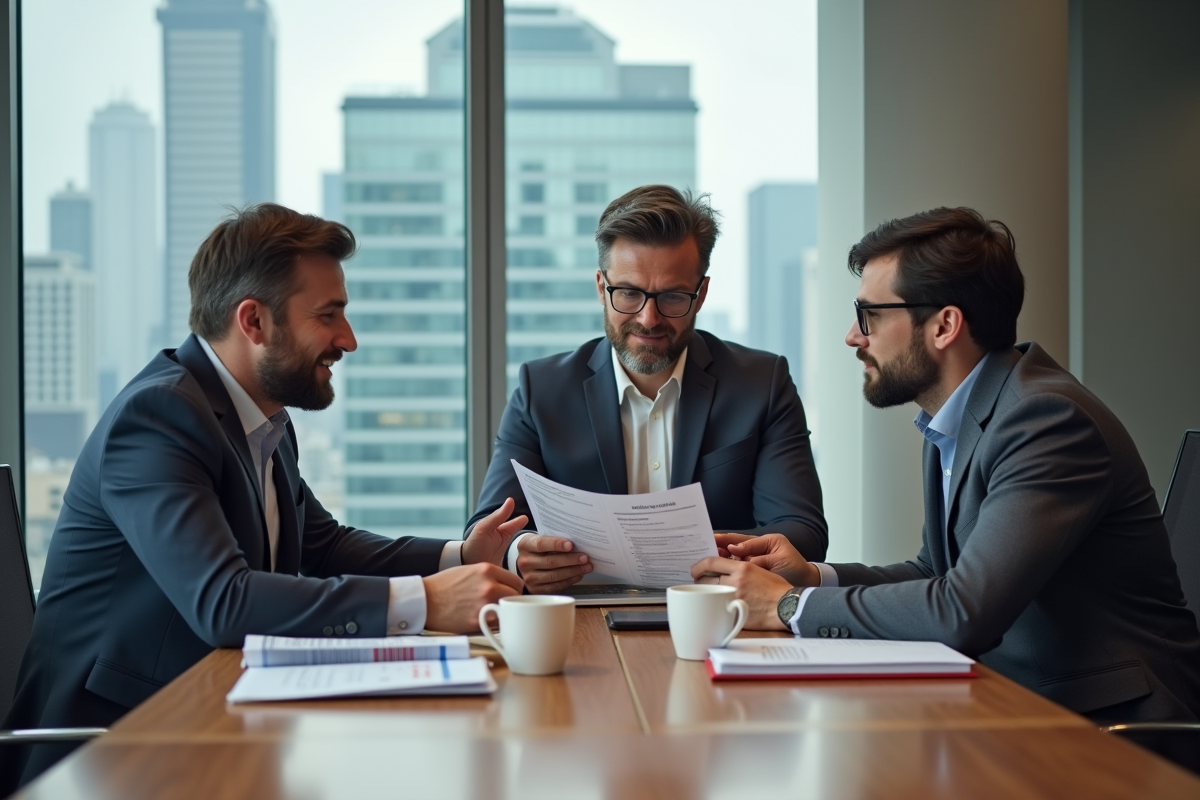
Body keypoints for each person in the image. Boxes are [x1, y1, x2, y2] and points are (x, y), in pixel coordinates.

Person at [2, 204, 526, 790]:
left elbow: (322, 546)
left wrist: (460, 556)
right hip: (110, 751)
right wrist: (424, 600)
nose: (348, 339)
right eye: (328, 315)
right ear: (253, 321)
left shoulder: (262, 420)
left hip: (214, 721)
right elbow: (223, 602)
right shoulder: (158, 417)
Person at [692, 206, 1200, 723]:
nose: (853, 336)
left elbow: (963, 611)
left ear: (944, 326)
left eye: (870, 316)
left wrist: (787, 606)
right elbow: (935, 572)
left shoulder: (1047, 421)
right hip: (1015, 704)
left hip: (1112, 725)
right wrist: (811, 579)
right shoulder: (960, 415)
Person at [467, 185, 826, 594]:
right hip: (580, 618)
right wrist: (519, 553)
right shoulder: (541, 390)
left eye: (672, 296)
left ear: (701, 295)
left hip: (722, 613)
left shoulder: (763, 383)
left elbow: (805, 533)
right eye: (629, 293)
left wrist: (695, 553)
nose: (649, 318)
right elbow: (488, 532)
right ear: (601, 287)